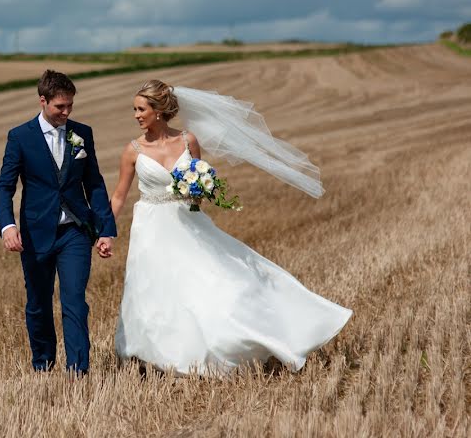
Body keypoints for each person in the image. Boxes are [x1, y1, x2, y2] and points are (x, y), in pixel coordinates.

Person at [110, 79, 352, 375]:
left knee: (217, 280)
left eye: (141, 109)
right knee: (155, 291)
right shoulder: (132, 151)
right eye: (134, 109)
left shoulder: (188, 141)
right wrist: (105, 231)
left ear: (158, 111)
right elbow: (119, 195)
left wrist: (199, 189)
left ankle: (235, 343)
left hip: (187, 221)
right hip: (151, 227)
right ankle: (161, 356)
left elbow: (197, 185)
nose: (136, 115)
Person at [0, 70, 117, 374]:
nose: (66, 112)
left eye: (70, 106)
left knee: (74, 300)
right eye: (60, 106)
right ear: (43, 101)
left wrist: (105, 229)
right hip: (36, 235)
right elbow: (4, 187)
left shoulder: (82, 134)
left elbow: (95, 184)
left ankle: (78, 370)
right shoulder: (20, 137)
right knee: (38, 303)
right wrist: (8, 226)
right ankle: (43, 365)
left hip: (75, 231)